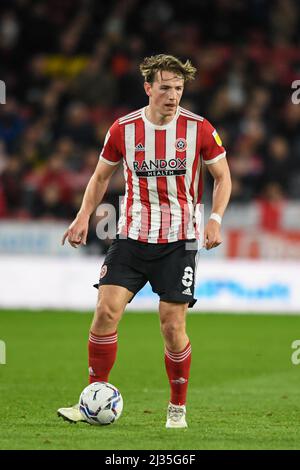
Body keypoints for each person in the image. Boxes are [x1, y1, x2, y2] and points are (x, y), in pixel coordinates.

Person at [57, 54, 231, 428]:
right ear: (148, 88)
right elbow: (101, 177)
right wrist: (83, 215)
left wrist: (214, 219)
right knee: (105, 311)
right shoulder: (123, 129)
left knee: (171, 327)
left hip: (179, 241)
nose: (173, 95)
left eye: (179, 88)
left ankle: (177, 407)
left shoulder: (199, 128)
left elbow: (223, 177)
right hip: (132, 236)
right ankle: (92, 398)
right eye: (165, 87)